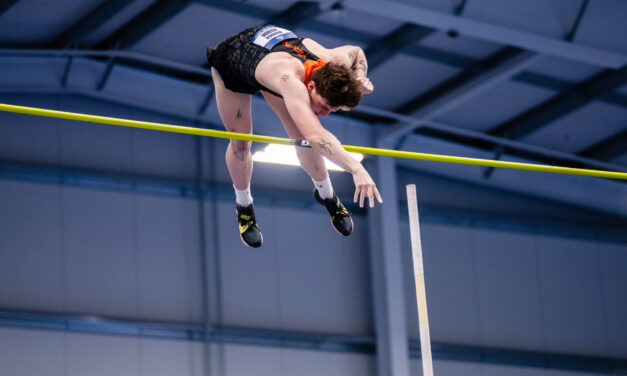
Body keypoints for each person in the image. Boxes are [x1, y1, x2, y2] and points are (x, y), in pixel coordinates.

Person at [206, 25, 382, 248]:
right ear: (310, 86)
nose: (325, 114)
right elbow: (317, 135)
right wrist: (356, 168)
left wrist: (359, 75)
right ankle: (244, 206)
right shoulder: (290, 81)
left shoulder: (333, 61)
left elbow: (356, 52)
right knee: (241, 143)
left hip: (272, 52)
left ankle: (326, 195)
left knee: (302, 137)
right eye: (325, 106)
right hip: (234, 61)